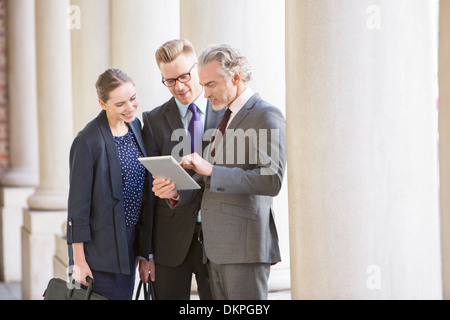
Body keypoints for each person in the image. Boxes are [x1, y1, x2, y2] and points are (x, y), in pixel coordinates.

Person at [157, 44, 287, 299]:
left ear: (236, 77)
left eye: (211, 85)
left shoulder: (266, 114)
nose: (204, 94)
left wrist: (213, 170)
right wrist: (176, 192)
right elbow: (209, 183)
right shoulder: (225, 116)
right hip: (216, 249)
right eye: (203, 85)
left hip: (245, 248)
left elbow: (272, 179)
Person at [141, 39, 223, 300]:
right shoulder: (153, 121)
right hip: (169, 241)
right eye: (170, 80)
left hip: (217, 239)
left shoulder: (226, 113)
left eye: (185, 76)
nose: (179, 86)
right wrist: (146, 253)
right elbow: (147, 192)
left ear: (196, 68)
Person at [66, 68, 155, 300]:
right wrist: (78, 261)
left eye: (133, 98)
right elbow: (78, 207)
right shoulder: (87, 141)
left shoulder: (135, 128)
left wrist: (145, 252)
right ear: (102, 104)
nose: (130, 108)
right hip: (98, 252)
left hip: (128, 246)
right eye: (120, 104)